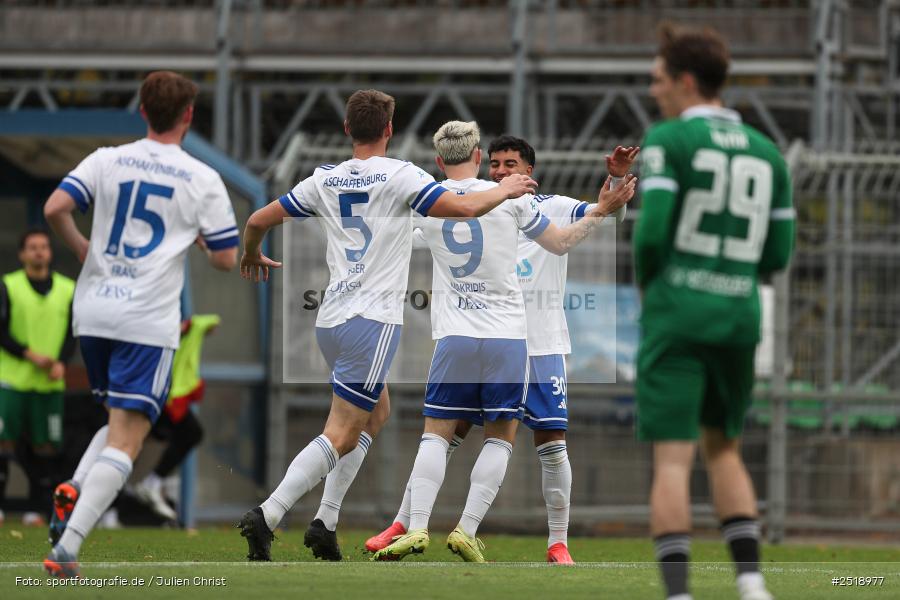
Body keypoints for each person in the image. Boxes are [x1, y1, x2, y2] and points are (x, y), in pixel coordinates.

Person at [236, 90, 538, 562]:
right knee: (341, 429)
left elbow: (257, 219)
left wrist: (251, 250)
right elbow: (461, 209)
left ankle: (325, 523)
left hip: (331, 319)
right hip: (371, 321)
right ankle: (268, 514)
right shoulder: (402, 175)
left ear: (346, 129)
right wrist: (506, 189)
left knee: (375, 414)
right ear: (390, 130)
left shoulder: (323, 179)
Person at [371, 121, 635, 562]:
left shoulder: (547, 204)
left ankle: (558, 542)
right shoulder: (480, 203)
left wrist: (612, 184)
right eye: (494, 165)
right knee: (453, 434)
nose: (500, 172)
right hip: (506, 339)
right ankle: (407, 522)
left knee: (549, 445)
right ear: (481, 164)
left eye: (510, 165)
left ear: (529, 170)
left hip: (539, 344)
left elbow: (610, 211)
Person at [41, 70, 239, 577]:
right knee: (130, 437)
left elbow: (56, 207)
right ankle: (68, 548)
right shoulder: (200, 178)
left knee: (115, 421)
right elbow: (225, 258)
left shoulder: (107, 159)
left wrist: (84, 248)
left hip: (94, 312)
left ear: (142, 110)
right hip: (145, 318)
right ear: (188, 116)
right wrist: (198, 239)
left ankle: (76, 487)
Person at [634, 24, 794, 600]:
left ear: (684, 80)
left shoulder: (669, 141)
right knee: (724, 447)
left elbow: (650, 235)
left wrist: (653, 287)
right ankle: (751, 584)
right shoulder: (769, 153)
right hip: (738, 315)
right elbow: (776, 254)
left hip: (678, 314)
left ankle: (680, 593)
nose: (654, 91)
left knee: (673, 459)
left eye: (658, 80)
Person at [0, 228, 76, 527]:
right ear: (22, 254)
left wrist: (62, 362)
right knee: (4, 444)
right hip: (12, 381)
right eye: (32, 247)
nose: (39, 252)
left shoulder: (67, 289)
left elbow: (73, 332)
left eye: (43, 246)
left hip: (49, 384)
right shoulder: (9, 285)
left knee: (45, 449)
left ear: (50, 252)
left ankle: (38, 509)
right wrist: (28, 354)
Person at [131, 314, 220, 522]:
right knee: (126, 444)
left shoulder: (178, 326)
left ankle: (149, 484)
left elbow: (211, 321)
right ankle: (113, 503)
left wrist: (190, 327)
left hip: (160, 394)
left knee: (189, 433)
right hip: (143, 390)